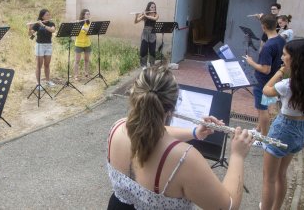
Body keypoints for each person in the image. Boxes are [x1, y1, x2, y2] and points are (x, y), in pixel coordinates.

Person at [107, 65, 253, 210]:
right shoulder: (184, 159)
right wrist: (237, 156)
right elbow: (228, 206)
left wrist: (195, 132)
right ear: (171, 109)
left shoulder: (117, 127)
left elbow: (151, 130)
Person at [261, 39, 304, 210]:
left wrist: (280, 70)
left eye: (285, 55)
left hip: (283, 129)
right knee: (281, 175)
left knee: (269, 178)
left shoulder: (287, 85)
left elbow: (266, 90)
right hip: (301, 130)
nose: (282, 57)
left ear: (295, 59)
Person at [244, 14, 285, 146]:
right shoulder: (280, 39)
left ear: (263, 27)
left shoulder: (268, 46)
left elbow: (265, 69)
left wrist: (251, 62)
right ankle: (258, 129)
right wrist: (263, 17)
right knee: (265, 108)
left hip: (263, 81)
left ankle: (264, 140)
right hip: (273, 80)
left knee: (262, 110)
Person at [28, 9, 56, 88]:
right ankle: (38, 83)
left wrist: (43, 25)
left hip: (48, 45)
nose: (49, 16)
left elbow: (52, 30)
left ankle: (48, 81)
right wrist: (30, 28)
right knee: (39, 65)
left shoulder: (51, 23)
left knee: (47, 64)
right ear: (42, 16)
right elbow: (30, 34)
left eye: (49, 15)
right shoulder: (37, 24)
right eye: (47, 15)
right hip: (40, 45)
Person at [134, 2, 159, 69]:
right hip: (145, 34)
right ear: (149, 7)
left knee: (152, 51)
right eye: (152, 7)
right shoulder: (145, 14)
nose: (153, 8)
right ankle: (143, 66)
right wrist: (137, 15)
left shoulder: (155, 14)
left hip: (152, 34)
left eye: (154, 7)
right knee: (143, 50)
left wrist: (146, 15)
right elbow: (136, 22)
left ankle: (152, 65)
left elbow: (155, 19)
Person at [74, 9, 92, 81]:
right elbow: (74, 32)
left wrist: (84, 28)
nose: (88, 15)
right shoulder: (79, 23)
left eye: (89, 14)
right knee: (77, 60)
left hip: (87, 43)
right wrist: (76, 24)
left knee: (86, 60)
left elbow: (89, 31)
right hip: (79, 43)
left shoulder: (89, 23)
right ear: (83, 15)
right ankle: (76, 75)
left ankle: (86, 73)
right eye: (87, 14)